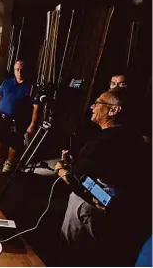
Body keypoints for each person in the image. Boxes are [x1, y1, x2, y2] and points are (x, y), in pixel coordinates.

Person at [55, 88, 151, 266]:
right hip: (118, 217)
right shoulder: (129, 136)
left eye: (98, 103)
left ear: (114, 110)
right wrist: (75, 163)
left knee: (74, 253)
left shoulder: (108, 141)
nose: (92, 106)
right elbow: (99, 167)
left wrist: (60, 169)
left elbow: (77, 181)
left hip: (93, 210)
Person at [0, 60, 39, 172]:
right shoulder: (7, 82)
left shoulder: (30, 87)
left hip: (17, 120)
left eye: (21, 69)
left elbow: (36, 107)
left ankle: (9, 162)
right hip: (1, 116)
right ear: (14, 71)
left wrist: (32, 124)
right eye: (17, 69)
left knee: (14, 141)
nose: (19, 72)